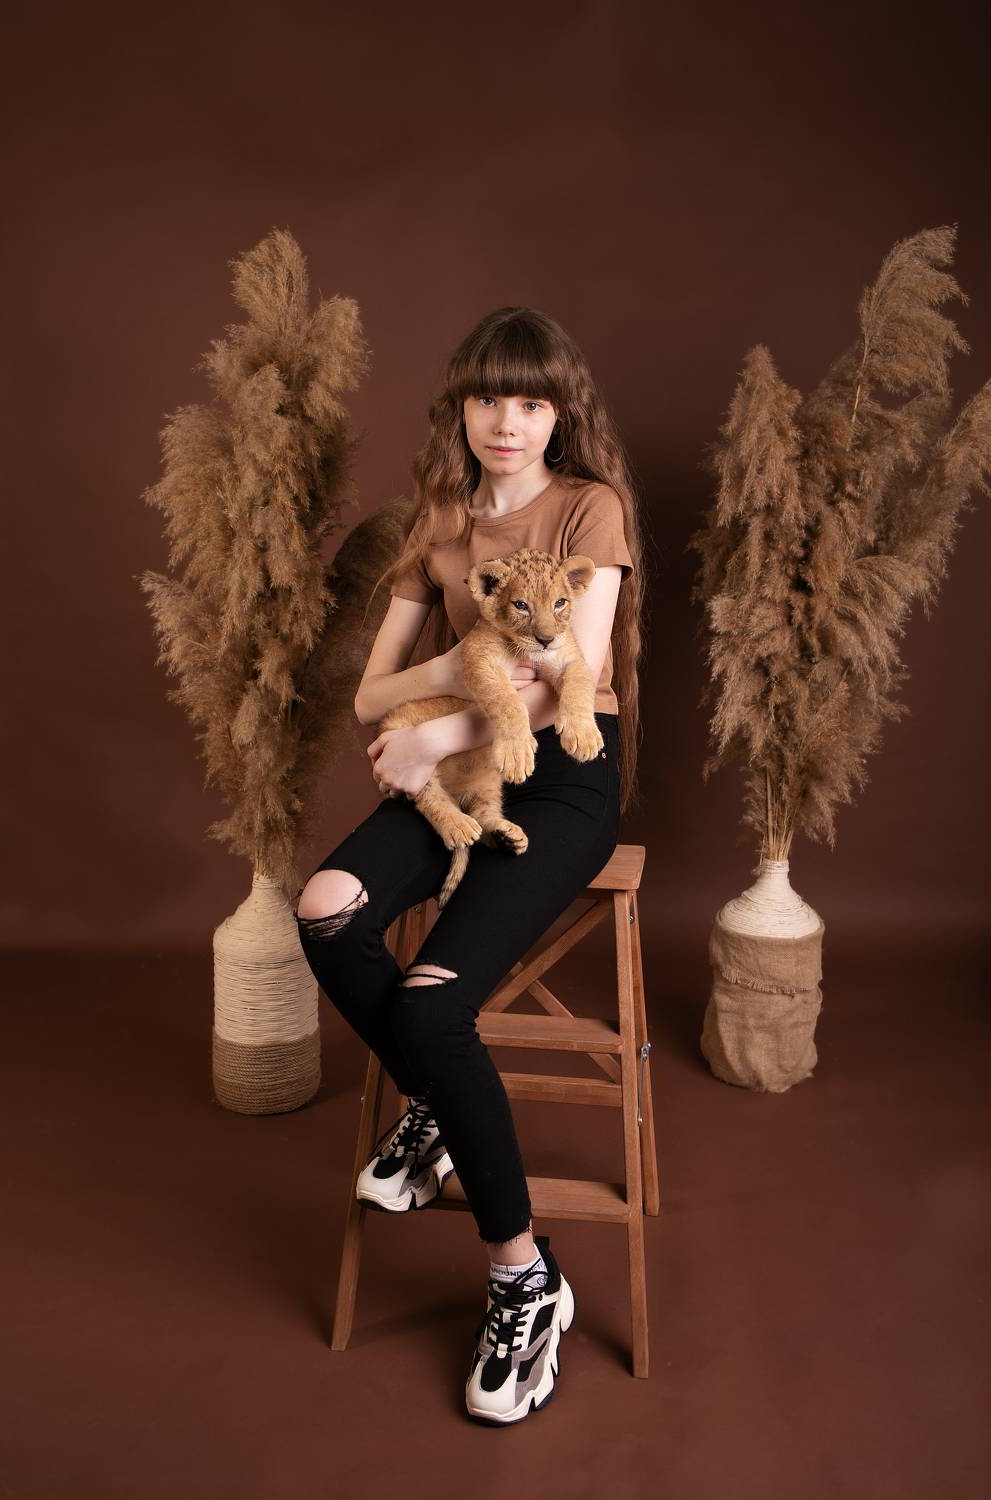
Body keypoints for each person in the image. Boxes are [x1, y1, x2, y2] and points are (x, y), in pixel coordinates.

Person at [294, 305, 646, 1425]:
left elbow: (574, 674)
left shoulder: (588, 508)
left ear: (558, 414)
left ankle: (522, 1277)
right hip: (458, 763)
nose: (508, 421)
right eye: (490, 398)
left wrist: (433, 733)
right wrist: (446, 679)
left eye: (532, 401)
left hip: (564, 774)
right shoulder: (438, 525)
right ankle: (439, 1108)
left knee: (434, 1007)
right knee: (325, 909)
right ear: (460, 408)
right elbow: (369, 694)